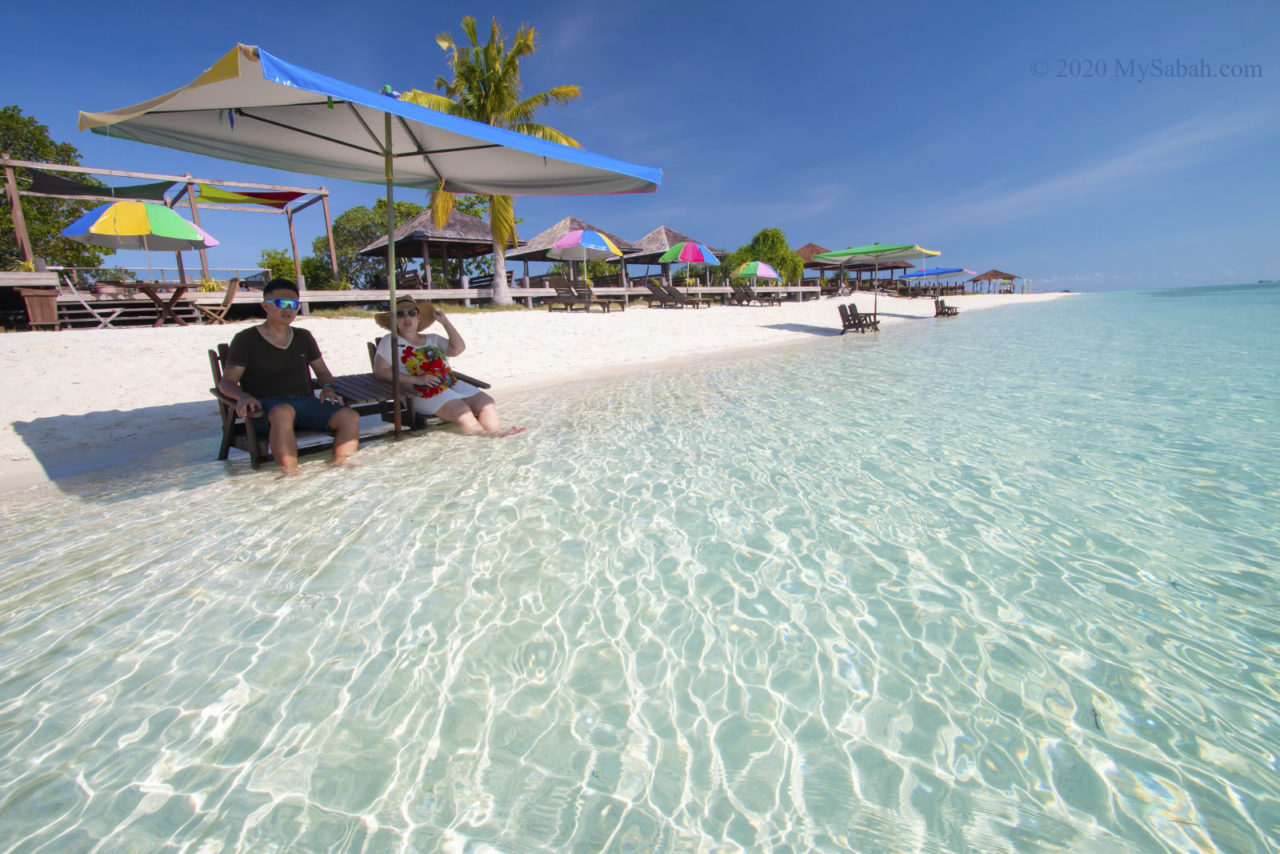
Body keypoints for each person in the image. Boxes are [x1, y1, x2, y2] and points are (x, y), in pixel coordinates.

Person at [217, 278, 359, 473]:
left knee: (349, 416)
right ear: (265, 306)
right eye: (280, 303)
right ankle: (290, 475)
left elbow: (323, 372)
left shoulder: (304, 337)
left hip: (305, 404)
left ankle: (340, 467)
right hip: (265, 410)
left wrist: (328, 388)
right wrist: (242, 397)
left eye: (293, 304)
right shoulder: (246, 339)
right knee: (283, 412)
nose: (288, 309)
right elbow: (227, 382)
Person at [373, 296, 522, 437]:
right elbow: (381, 372)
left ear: (418, 317)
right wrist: (417, 380)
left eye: (411, 313)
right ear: (394, 320)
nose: (407, 318)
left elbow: (458, 349)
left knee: (486, 402)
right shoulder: (390, 341)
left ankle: (498, 433)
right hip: (420, 391)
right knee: (462, 411)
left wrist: (445, 322)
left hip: (451, 384)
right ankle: (490, 436)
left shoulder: (432, 338)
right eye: (400, 314)